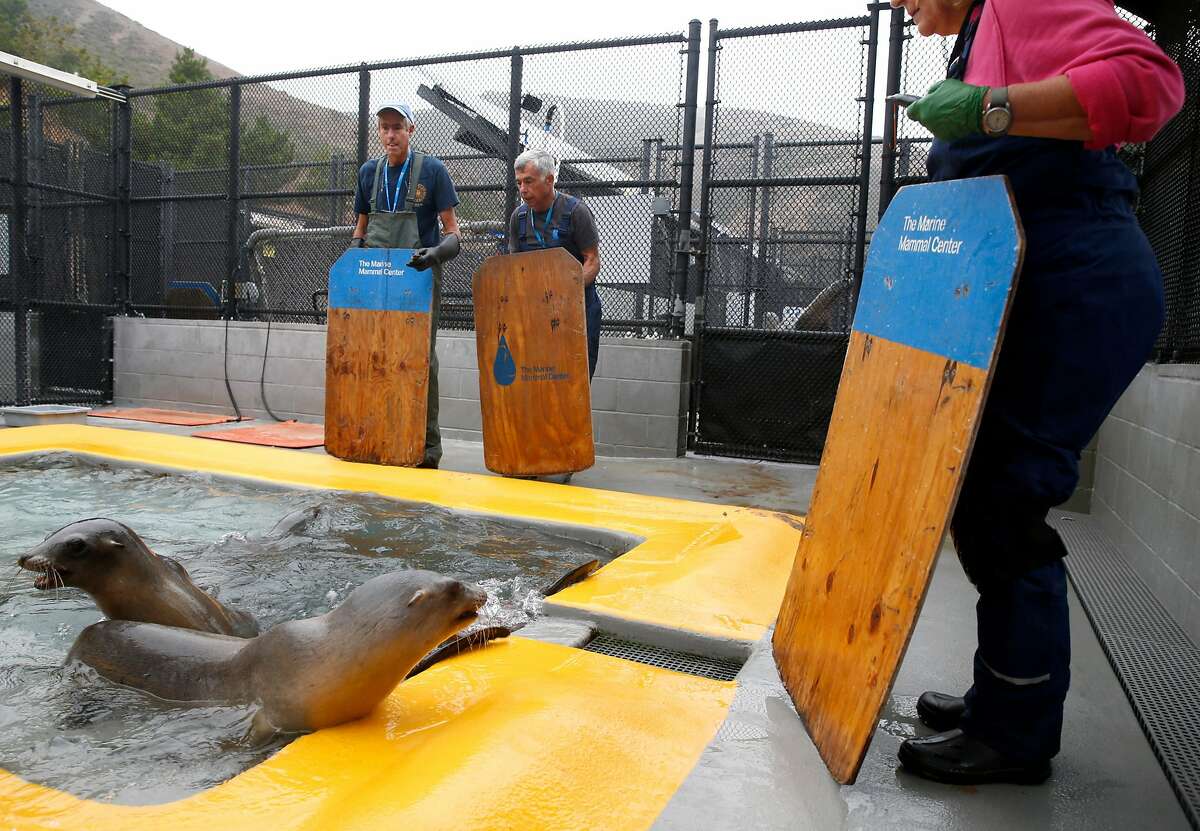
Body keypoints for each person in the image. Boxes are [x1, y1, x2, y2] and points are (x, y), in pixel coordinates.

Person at [888, 0, 1184, 786]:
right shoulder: (981, 33)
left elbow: (1150, 83)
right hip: (1032, 280)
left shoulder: (1016, 1)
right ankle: (1001, 692)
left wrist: (991, 108)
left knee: (1005, 500)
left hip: (1078, 281)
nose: (902, 6)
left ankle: (1017, 732)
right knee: (983, 497)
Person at [350, 102, 461, 469]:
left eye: (397, 127)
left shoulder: (433, 170)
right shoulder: (369, 173)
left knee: (418, 359)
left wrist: (435, 254)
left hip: (417, 278)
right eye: (384, 127)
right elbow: (361, 231)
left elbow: (453, 235)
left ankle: (427, 448)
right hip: (374, 281)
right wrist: (349, 266)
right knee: (373, 355)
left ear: (411, 130)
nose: (391, 134)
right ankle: (375, 436)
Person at [508, 149, 603, 379]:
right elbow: (513, 267)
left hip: (576, 310)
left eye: (529, 181)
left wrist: (566, 289)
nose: (522, 190)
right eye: (519, 182)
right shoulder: (518, 218)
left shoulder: (575, 211)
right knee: (536, 383)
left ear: (549, 179)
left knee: (574, 381)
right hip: (535, 312)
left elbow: (592, 261)